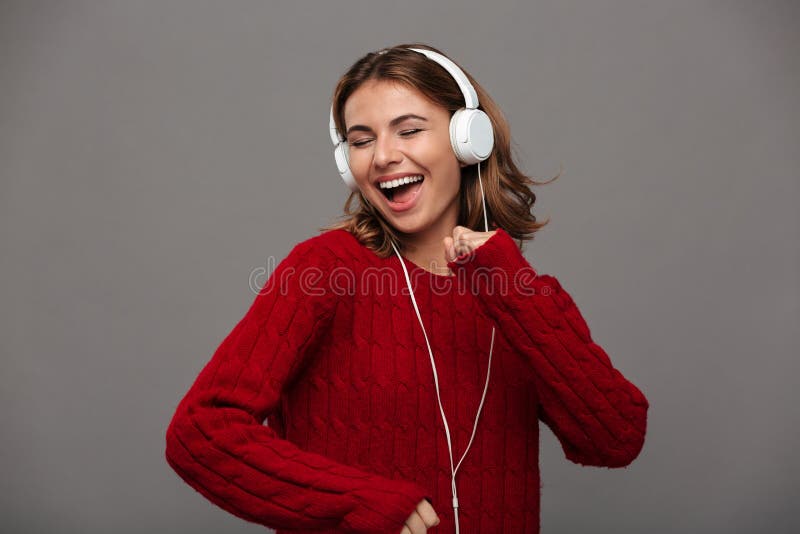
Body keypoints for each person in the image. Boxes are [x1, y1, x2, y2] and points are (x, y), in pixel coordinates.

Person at [165, 43, 649, 534]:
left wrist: (507, 285)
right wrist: (358, 502)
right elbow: (201, 432)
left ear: (467, 140)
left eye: (410, 130)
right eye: (361, 140)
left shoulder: (520, 295)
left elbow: (614, 438)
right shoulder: (325, 269)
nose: (383, 157)